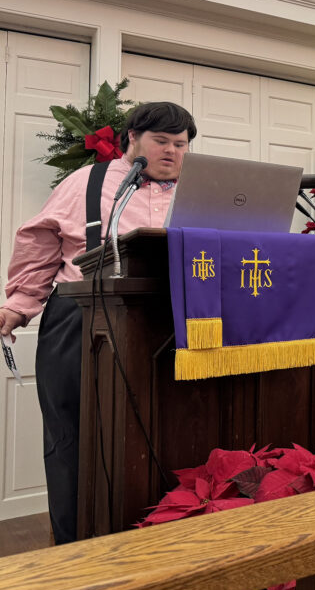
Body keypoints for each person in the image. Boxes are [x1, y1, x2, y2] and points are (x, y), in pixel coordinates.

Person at [0, 102, 197, 544]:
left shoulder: (199, 191)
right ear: (132, 139)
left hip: (170, 323)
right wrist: (17, 305)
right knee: (72, 433)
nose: (171, 152)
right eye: (161, 141)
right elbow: (40, 247)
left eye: (180, 145)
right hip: (79, 320)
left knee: (170, 430)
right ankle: (74, 544)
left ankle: (164, 542)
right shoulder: (85, 182)